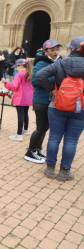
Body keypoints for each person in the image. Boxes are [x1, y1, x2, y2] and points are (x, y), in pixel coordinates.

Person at [36, 36, 84, 180]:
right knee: (71, 141)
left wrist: (53, 90)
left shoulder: (61, 63)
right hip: (80, 107)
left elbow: (40, 75)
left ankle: (50, 169)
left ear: (71, 49)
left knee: (54, 137)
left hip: (57, 105)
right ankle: (64, 171)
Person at [25, 39, 62, 164]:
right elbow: (35, 81)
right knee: (41, 127)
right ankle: (30, 152)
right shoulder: (41, 63)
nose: (55, 52)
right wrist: (54, 78)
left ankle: (38, 149)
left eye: (57, 49)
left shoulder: (59, 61)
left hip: (51, 100)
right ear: (46, 51)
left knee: (45, 127)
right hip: (41, 100)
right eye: (52, 50)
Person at [2, 59, 34, 142]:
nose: (16, 68)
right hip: (29, 97)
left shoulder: (19, 74)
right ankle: (26, 129)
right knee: (25, 113)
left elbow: (13, 87)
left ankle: (19, 134)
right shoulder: (30, 73)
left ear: (20, 66)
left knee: (20, 115)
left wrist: (6, 83)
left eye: (17, 66)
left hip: (20, 97)